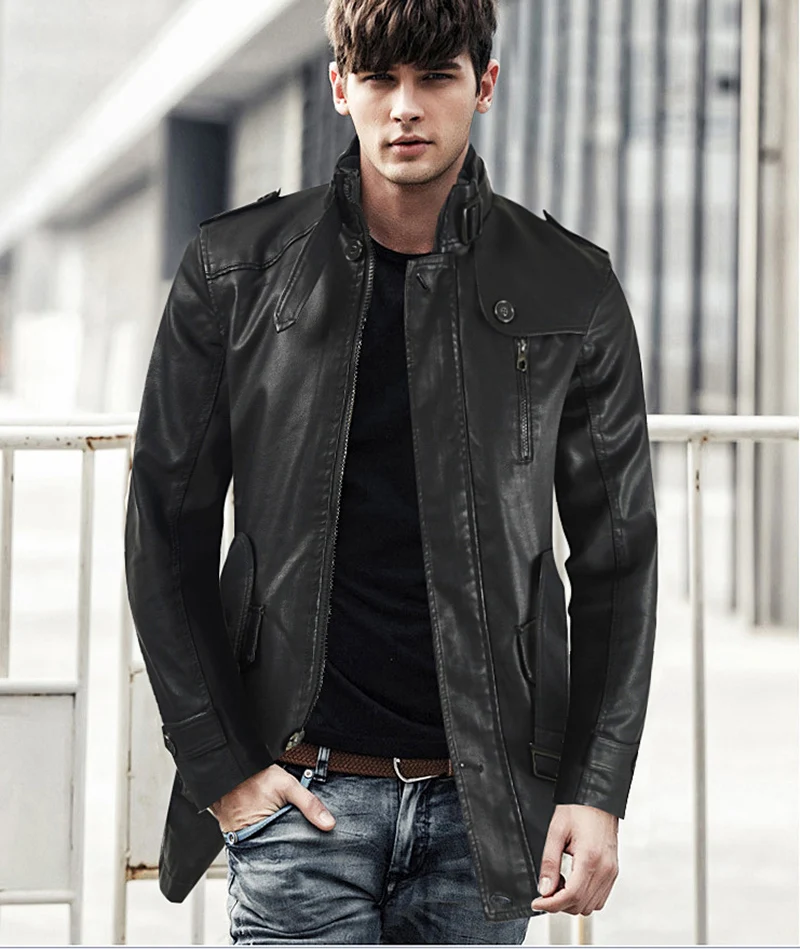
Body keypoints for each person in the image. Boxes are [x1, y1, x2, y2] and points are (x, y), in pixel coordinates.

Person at [124, 0, 659, 943]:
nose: (405, 106)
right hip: (301, 801)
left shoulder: (570, 287)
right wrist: (224, 768)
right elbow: (165, 533)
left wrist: (596, 785)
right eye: (379, 78)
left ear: (484, 85)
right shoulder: (235, 272)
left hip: (482, 814)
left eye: (435, 76)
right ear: (341, 87)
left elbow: (619, 559)